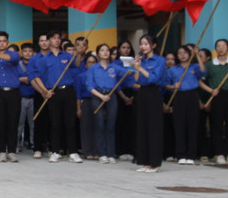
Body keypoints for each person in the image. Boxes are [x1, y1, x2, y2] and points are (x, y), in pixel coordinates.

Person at [31, 32, 82, 163]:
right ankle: (55, 151)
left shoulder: (67, 56)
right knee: (55, 123)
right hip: (54, 92)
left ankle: (73, 152)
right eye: (54, 38)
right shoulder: (43, 59)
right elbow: (36, 76)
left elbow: (76, 64)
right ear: (48, 41)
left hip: (68, 91)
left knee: (70, 123)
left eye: (59, 38)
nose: (57, 40)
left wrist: (79, 53)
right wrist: (44, 90)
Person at [128, 34, 167, 173]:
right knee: (142, 127)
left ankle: (155, 162)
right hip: (142, 93)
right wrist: (136, 67)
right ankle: (144, 161)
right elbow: (136, 80)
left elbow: (154, 79)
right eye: (141, 44)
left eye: (146, 44)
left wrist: (141, 68)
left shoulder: (160, 60)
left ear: (153, 46)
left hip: (154, 93)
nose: (143, 46)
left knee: (154, 128)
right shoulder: (141, 60)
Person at [0, 32, 23, 162]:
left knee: (13, 121)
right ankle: (1, 150)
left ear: (7, 43)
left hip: (13, 92)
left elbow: (12, 60)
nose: (2, 43)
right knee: (0, 122)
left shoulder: (13, 54)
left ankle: (12, 151)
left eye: (4, 41)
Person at [165, 45, 205, 166]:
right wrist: (174, 86)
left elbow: (203, 71)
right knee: (179, 125)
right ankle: (180, 154)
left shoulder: (194, 67)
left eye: (185, 53)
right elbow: (166, 85)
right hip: (178, 96)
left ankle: (191, 155)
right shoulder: (173, 70)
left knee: (192, 125)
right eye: (180, 53)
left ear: (189, 54)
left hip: (192, 96)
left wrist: (197, 54)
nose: (182, 55)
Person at [85, 44, 124, 164]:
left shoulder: (115, 67)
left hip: (111, 96)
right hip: (98, 96)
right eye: (102, 50)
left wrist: (134, 64)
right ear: (98, 54)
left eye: (107, 50)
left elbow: (128, 73)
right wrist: (101, 96)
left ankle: (111, 153)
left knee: (111, 126)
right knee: (99, 125)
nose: (105, 52)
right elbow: (89, 85)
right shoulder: (93, 68)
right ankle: (101, 153)